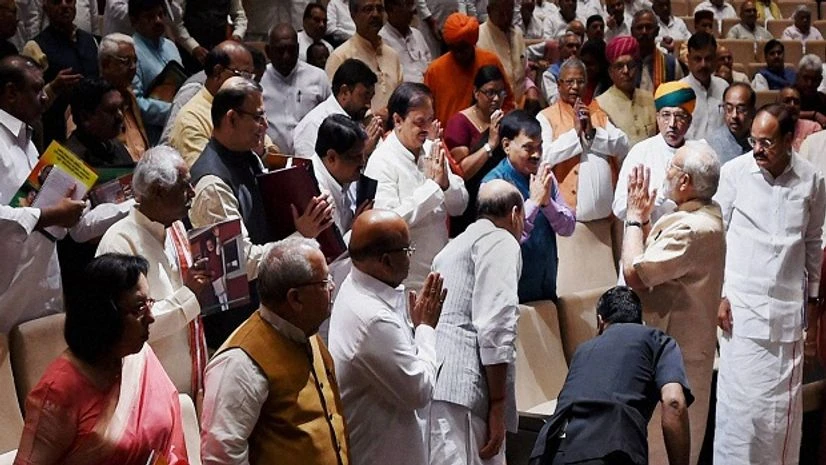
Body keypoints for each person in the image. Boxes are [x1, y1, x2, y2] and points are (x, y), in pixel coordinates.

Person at [714, 103, 826, 465]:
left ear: (790, 140)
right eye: (753, 140)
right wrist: (719, 294)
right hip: (740, 313)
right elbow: (717, 236)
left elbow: (812, 245)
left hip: (787, 316)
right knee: (739, 415)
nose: (758, 149)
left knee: (778, 420)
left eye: (767, 142)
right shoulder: (734, 173)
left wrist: (811, 305)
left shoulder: (812, 180)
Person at [188, 78, 333, 346]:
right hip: (234, 327)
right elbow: (238, 266)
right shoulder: (211, 184)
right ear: (231, 118)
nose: (265, 126)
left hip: (263, 307)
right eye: (258, 117)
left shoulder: (249, 156)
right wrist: (300, 235)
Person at [14, 253, 190, 465]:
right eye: (139, 308)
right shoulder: (58, 392)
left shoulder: (141, 358)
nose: (151, 317)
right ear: (105, 316)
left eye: (149, 303)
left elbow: (170, 440)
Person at [0, 55, 129, 334]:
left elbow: (66, 223)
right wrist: (48, 215)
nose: (45, 98)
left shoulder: (29, 142)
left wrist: (66, 210)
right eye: (36, 89)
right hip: (8, 292)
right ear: (11, 93)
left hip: (41, 283)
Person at [200, 238, 350, 465]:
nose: (333, 287)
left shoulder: (305, 331)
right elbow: (220, 457)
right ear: (295, 298)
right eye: (324, 282)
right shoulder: (239, 363)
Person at [620, 141, 724, 465]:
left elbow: (634, 272)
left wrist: (634, 219)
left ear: (684, 182)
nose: (666, 172)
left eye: (673, 167)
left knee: (660, 453)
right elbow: (661, 261)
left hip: (675, 358)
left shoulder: (693, 229)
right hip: (675, 351)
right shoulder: (703, 214)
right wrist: (649, 221)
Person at [328, 209, 445, 465]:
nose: (410, 257)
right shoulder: (372, 319)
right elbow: (419, 391)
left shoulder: (357, 286)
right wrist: (425, 328)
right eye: (407, 251)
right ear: (385, 261)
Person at [529, 286, 693, 465]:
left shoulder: (583, 350)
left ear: (600, 322)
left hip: (551, 452)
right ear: (642, 322)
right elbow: (674, 402)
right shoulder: (658, 340)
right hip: (612, 451)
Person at [96, 146, 210, 397]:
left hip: (192, 384)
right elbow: (127, 327)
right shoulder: (119, 242)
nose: (192, 193)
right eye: (184, 186)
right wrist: (189, 295)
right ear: (159, 191)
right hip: (147, 396)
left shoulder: (176, 228)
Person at [430, 180, 525, 465]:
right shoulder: (500, 239)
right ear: (515, 214)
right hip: (468, 388)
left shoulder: (449, 248)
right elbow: (496, 322)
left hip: (437, 381)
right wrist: (498, 403)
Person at [364, 83, 469, 289]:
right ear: (397, 120)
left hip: (441, 270)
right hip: (404, 281)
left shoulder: (432, 149)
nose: (427, 129)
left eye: (430, 120)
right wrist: (432, 188)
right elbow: (388, 225)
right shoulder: (381, 161)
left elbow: (460, 206)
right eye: (420, 122)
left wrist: (446, 184)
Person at [483, 110, 576, 302]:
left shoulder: (544, 176)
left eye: (540, 147)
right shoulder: (492, 185)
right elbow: (504, 241)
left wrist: (547, 203)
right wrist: (533, 203)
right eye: (528, 148)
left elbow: (568, 227)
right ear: (507, 146)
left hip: (546, 282)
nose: (537, 154)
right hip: (510, 292)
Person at [539, 58, 629, 223]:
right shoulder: (546, 116)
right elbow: (544, 158)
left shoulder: (597, 113)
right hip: (566, 219)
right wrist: (575, 133)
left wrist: (592, 133)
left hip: (604, 219)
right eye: (569, 82)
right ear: (559, 85)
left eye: (580, 82)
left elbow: (623, 144)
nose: (575, 87)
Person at [613, 81, 695, 223]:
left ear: (689, 121)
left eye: (680, 116)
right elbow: (619, 208)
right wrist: (658, 197)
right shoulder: (640, 153)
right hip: (649, 238)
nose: (672, 124)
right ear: (657, 118)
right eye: (666, 115)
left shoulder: (698, 153)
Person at [21, 0, 97, 147]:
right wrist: (54, 88)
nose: (64, 5)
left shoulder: (90, 41)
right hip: (56, 139)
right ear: (45, 8)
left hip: (94, 135)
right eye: (56, 2)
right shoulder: (35, 47)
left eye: (69, 0)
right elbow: (27, 105)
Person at [168, 41, 255, 166]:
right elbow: (203, 174)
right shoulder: (191, 119)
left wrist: (261, 152)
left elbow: (271, 152)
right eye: (244, 75)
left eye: (251, 77)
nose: (249, 84)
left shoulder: (244, 109)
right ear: (218, 72)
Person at [445, 65, 507, 236]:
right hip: (469, 207)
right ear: (475, 93)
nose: (496, 99)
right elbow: (462, 171)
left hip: (497, 204)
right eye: (490, 92)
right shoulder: (460, 123)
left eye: (501, 93)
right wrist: (490, 145)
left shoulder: (504, 121)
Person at [423, 13, 514, 129]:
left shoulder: (490, 60)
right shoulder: (434, 71)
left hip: (488, 135)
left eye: (463, 48)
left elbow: (508, 101)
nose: (459, 54)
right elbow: (426, 112)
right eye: (455, 49)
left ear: (473, 43)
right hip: (446, 140)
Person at [261, 23, 331, 156]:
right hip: (271, 160)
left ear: (298, 49)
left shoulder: (318, 77)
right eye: (280, 50)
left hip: (312, 158)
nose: (286, 56)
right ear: (268, 51)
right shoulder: (258, 80)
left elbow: (331, 117)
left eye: (291, 50)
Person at [293, 58, 380, 159]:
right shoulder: (314, 125)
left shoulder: (364, 121)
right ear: (344, 92)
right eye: (365, 96)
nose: (368, 105)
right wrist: (363, 152)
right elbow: (312, 172)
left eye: (371, 98)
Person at [326, 0, 403, 112]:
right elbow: (334, 107)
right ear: (353, 14)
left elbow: (400, 100)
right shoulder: (340, 57)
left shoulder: (392, 55)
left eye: (379, 9)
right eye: (368, 9)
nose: (375, 14)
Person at [129, 0, 182, 145]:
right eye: (149, 17)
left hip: (178, 128)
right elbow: (136, 102)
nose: (158, 21)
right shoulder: (130, 51)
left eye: (160, 14)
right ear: (134, 20)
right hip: (150, 137)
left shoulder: (170, 46)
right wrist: (175, 111)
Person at [596, 36, 657, 146]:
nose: (626, 71)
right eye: (619, 66)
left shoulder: (651, 99)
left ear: (637, 68)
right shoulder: (599, 105)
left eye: (631, 65)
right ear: (610, 72)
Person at [98, 33, 149, 161]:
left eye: (135, 61)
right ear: (106, 64)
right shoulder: (89, 101)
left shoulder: (129, 95)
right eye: (126, 61)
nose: (133, 67)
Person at [478, 0, 527, 104]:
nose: (506, 17)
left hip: (519, 105)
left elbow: (523, 74)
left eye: (509, 12)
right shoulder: (478, 37)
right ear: (489, 11)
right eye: (501, 13)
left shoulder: (517, 33)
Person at [681, 31, 726, 141]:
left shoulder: (724, 87)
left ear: (715, 58)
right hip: (689, 154)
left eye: (708, 59)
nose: (703, 64)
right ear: (688, 59)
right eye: (697, 59)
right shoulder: (680, 90)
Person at [178, 0, 247, 70]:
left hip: (218, 52)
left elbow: (240, 16)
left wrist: (237, 35)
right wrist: (192, 46)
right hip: (189, 54)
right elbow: (176, 22)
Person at [380, 0, 432, 83]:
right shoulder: (382, 41)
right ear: (391, 9)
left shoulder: (417, 34)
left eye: (412, 4)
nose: (413, 9)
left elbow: (429, 65)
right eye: (408, 4)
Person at [635, 8, 683, 92]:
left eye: (648, 27)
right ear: (632, 31)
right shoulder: (626, 65)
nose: (644, 32)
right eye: (639, 27)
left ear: (657, 31)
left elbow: (679, 97)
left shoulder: (671, 64)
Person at [706, 82, 755, 164]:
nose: (734, 115)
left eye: (741, 109)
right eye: (729, 109)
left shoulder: (759, 142)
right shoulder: (711, 146)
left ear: (752, 111)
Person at [540, 31, 582, 106]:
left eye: (578, 46)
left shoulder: (585, 71)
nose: (575, 49)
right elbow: (555, 102)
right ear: (560, 49)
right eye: (570, 46)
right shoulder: (549, 75)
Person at [777, 86, 821, 153]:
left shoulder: (813, 128)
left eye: (796, 102)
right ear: (776, 105)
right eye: (787, 101)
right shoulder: (768, 128)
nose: (792, 105)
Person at [796, 54, 826, 128]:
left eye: (814, 79)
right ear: (798, 76)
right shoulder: (788, 94)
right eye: (805, 78)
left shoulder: (823, 99)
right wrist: (813, 114)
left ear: (820, 80)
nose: (809, 84)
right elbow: (784, 113)